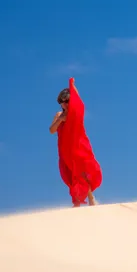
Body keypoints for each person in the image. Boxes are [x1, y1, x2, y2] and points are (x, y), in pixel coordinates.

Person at [49, 77, 102, 207]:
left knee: (82, 173)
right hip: (66, 150)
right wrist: (61, 119)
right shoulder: (59, 115)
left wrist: (72, 86)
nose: (65, 104)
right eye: (63, 102)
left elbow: (78, 100)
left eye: (67, 101)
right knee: (72, 176)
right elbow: (52, 130)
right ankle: (77, 202)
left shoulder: (76, 113)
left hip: (80, 147)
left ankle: (90, 199)